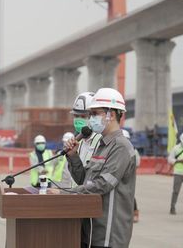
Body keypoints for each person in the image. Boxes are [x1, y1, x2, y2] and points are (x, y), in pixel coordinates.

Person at [51, 87, 136, 248]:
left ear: (111, 114)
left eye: (95, 114)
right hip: (93, 230)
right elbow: (85, 180)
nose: (91, 119)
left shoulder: (121, 147)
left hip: (109, 234)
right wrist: (73, 156)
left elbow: (102, 185)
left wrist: (64, 194)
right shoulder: (102, 145)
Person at [71, 92, 102, 166]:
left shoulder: (101, 141)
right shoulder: (77, 141)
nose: (78, 120)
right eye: (76, 116)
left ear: (94, 116)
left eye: (83, 116)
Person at [123, 129, 141, 223]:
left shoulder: (133, 150)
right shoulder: (115, 149)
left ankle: (135, 212)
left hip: (129, 175)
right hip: (118, 175)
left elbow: (137, 163)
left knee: (130, 194)